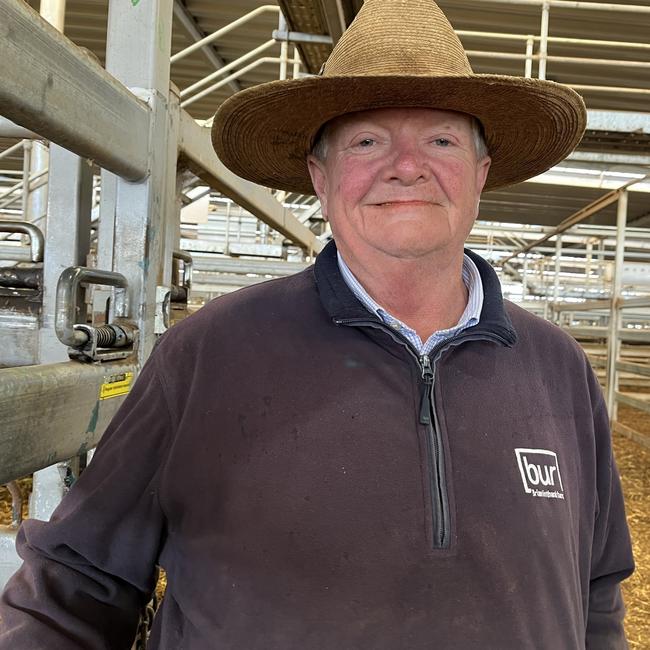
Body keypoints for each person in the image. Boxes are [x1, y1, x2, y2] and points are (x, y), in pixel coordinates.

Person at [0, 0, 634, 648]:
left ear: (481, 172)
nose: (407, 166)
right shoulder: (211, 355)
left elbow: (597, 593)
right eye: (367, 141)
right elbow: (74, 586)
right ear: (319, 177)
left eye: (441, 140)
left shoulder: (559, 372)